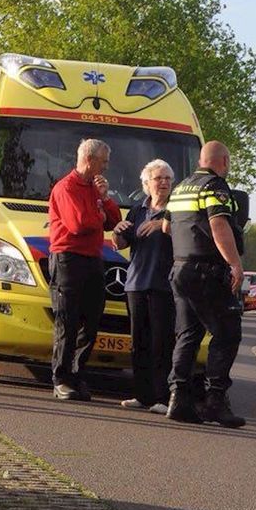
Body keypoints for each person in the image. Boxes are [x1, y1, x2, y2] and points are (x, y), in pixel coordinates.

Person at [165, 141, 246, 427]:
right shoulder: (215, 186)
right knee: (227, 333)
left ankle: (178, 398)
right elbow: (219, 224)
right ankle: (215, 401)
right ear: (223, 160)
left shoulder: (180, 188)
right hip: (206, 270)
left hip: (180, 269)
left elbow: (166, 227)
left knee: (188, 334)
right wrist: (235, 263)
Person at [47, 139, 122, 400]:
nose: (107, 166)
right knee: (67, 320)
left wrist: (105, 200)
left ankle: (77, 375)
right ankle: (61, 378)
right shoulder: (65, 188)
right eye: (104, 161)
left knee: (91, 320)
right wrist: (98, 217)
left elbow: (115, 221)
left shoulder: (95, 188)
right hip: (68, 259)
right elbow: (78, 223)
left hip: (93, 258)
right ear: (89, 160)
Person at [112, 160, 175, 414]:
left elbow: (188, 232)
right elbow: (120, 244)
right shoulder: (137, 210)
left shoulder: (176, 211)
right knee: (139, 342)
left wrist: (163, 225)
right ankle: (142, 394)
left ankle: (162, 397)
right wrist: (117, 231)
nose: (163, 183)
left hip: (164, 285)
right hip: (136, 283)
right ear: (146, 184)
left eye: (168, 179)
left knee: (161, 342)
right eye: (158, 178)